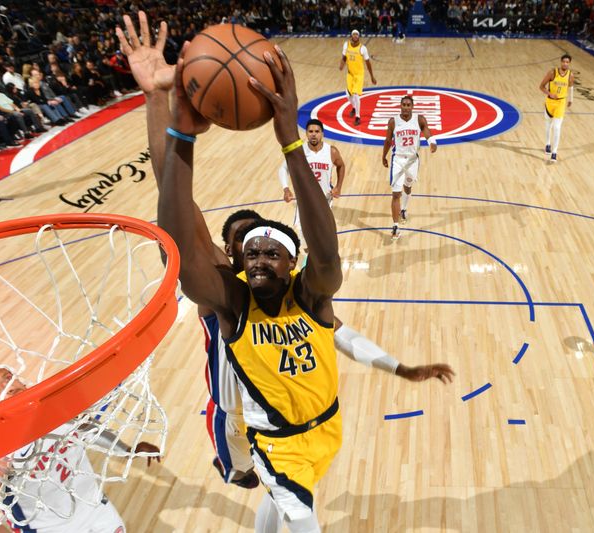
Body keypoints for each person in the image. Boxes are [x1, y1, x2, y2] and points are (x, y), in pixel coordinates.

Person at [117, 13, 454, 500]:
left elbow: (341, 334)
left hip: (289, 421)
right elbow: (171, 194)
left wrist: (399, 368)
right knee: (252, 485)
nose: (249, 251)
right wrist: (156, 100)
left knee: (283, 498)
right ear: (226, 253)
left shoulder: (294, 293)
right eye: (239, 244)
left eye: (259, 244)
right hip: (234, 411)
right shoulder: (222, 288)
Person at [158, 37, 352, 531]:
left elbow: (327, 255)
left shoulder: (310, 296)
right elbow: (181, 231)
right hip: (246, 420)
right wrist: (172, 124)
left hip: (317, 428)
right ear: (233, 260)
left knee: (279, 498)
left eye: (272, 250)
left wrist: (292, 142)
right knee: (284, 502)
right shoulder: (229, 298)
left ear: (293, 261)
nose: (259, 256)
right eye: (248, 250)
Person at [0, 366, 159, 533]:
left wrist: (127, 449)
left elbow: (86, 430)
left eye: (8, 377)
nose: (8, 386)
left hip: (98, 510)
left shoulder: (56, 409)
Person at [278, 118, 345, 250]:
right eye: (310, 131)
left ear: (322, 133)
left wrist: (338, 187)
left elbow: (341, 166)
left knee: (323, 230)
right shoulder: (299, 152)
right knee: (302, 230)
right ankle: (311, 255)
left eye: (317, 131)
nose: (313, 134)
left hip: (324, 198)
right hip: (304, 198)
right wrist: (286, 189)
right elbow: (283, 168)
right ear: (306, 134)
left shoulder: (331, 151)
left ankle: (319, 254)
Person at [381, 95, 437, 240]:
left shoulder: (419, 119)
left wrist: (431, 141)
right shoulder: (393, 121)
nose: (406, 107)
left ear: (412, 106)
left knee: (408, 187)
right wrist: (384, 156)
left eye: (408, 105)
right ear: (400, 106)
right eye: (403, 105)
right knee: (395, 194)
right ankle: (395, 226)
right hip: (398, 160)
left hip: (412, 160)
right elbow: (388, 140)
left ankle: (404, 209)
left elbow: (426, 130)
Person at [538, 53, 574, 163]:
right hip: (550, 102)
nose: (565, 63)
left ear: (569, 63)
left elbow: (571, 87)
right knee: (548, 125)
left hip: (561, 102)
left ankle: (554, 152)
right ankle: (547, 143)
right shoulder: (552, 73)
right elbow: (541, 86)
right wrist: (550, 93)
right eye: (564, 61)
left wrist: (571, 99)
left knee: (557, 127)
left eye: (567, 62)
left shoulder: (570, 75)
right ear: (561, 62)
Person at [338, 29, 376, 126]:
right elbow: (344, 56)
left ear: (359, 37)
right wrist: (341, 65)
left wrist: (372, 76)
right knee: (348, 94)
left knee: (355, 94)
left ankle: (358, 117)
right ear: (351, 36)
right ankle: (354, 108)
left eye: (357, 35)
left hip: (359, 74)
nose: (355, 36)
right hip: (350, 73)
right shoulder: (346, 45)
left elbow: (368, 64)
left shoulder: (363, 48)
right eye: (353, 34)